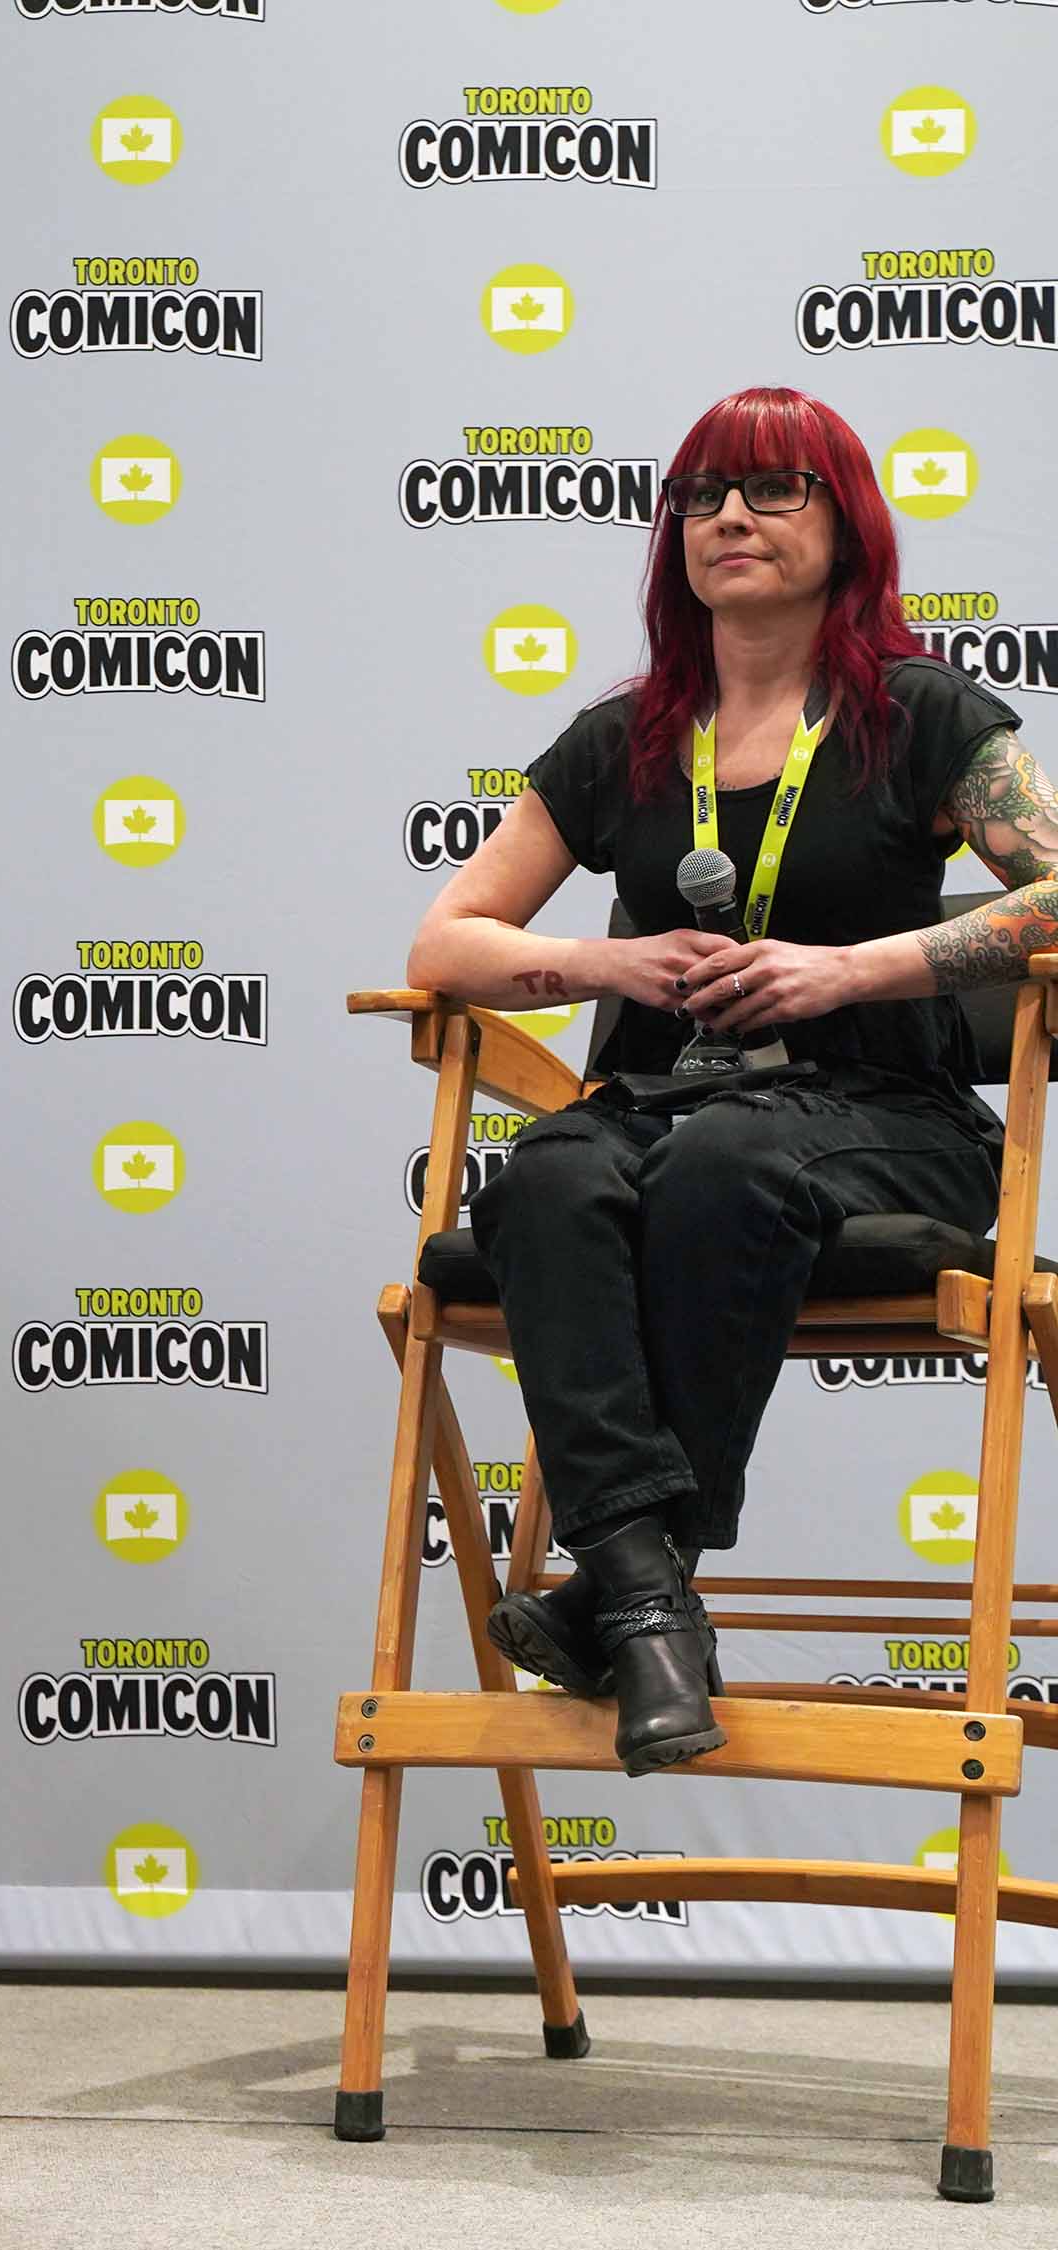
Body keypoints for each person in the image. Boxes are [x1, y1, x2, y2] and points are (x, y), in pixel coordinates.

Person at [408, 386, 1052, 1775]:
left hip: (880, 1123)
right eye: (703, 496)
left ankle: (625, 1590)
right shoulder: (631, 734)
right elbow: (444, 938)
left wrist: (849, 971)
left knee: (722, 1169)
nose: (733, 519)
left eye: (774, 491)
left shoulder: (923, 717)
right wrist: (604, 965)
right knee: (545, 1186)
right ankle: (650, 1605)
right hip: (661, 1110)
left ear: (847, 524)